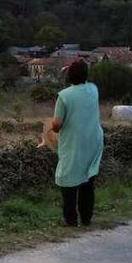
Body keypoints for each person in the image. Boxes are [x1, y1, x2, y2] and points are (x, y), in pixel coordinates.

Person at [49, 59, 104, 227]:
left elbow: (57, 124)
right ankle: (86, 218)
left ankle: (71, 219)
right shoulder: (93, 90)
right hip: (93, 140)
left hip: (74, 142)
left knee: (68, 179)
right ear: (86, 75)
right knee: (87, 179)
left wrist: (51, 128)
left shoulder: (64, 96)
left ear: (69, 76)